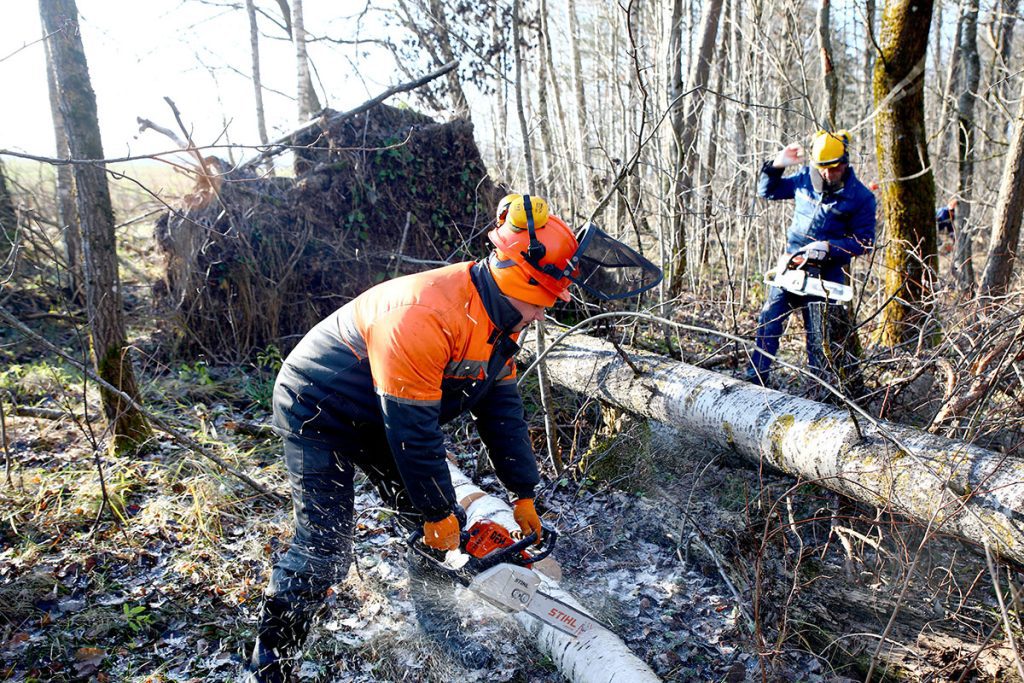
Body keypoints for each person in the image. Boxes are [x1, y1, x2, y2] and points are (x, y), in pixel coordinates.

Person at [246, 194, 661, 681]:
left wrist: (522, 492)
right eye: (544, 301)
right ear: (518, 279)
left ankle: (439, 633)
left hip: (384, 412)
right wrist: (436, 510)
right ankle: (271, 660)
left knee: (442, 531)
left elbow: (501, 410)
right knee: (326, 548)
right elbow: (412, 431)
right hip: (319, 406)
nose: (545, 314)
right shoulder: (422, 314)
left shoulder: (502, 321)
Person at [744, 130, 876, 385]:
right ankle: (755, 379)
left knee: (818, 336)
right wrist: (775, 166)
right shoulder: (804, 180)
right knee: (769, 320)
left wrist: (830, 247)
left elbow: (865, 242)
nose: (828, 174)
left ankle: (819, 389)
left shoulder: (861, 197)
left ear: (845, 163)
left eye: (834, 168)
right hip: (792, 264)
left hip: (827, 274)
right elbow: (767, 191)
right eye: (823, 168)